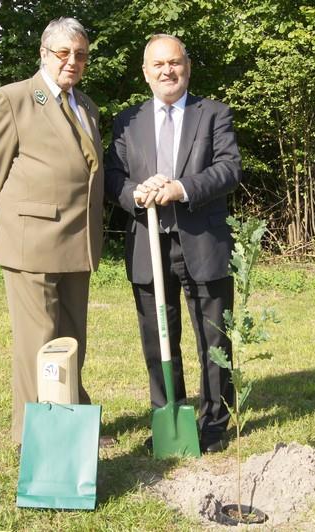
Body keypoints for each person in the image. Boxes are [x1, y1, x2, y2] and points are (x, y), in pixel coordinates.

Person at [0, 17, 112, 447]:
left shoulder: (85, 105)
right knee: (38, 343)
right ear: (44, 53)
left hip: (78, 242)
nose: (72, 61)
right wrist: (14, 223)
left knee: (72, 339)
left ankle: (72, 419)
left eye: (81, 54)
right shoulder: (14, 99)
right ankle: (35, 436)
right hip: (30, 243)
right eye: (63, 53)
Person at [105, 34, 241, 453]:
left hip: (203, 242)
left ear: (188, 66)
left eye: (175, 62)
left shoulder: (213, 114)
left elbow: (229, 169)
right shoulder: (128, 121)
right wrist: (135, 194)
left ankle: (216, 421)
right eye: (159, 64)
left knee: (213, 338)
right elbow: (112, 176)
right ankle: (169, 412)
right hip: (148, 243)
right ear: (146, 73)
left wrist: (182, 188)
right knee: (157, 336)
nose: (168, 71)